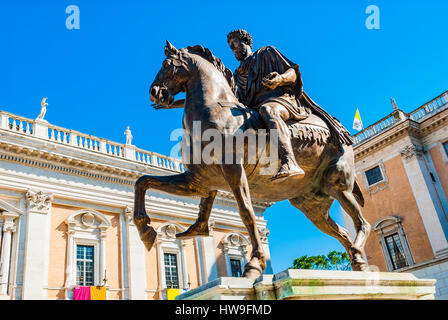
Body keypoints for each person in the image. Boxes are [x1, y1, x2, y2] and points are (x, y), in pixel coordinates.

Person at [227, 29, 353, 180]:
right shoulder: (237, 75)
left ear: (245, 42)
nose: (233, 49)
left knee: (268, 110)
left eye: (234, 44)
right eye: (230, 47)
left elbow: (292, 73)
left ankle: (289, 161)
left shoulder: (266, 52)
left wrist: (279, 79)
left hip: (281, 100)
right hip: (254, 109)